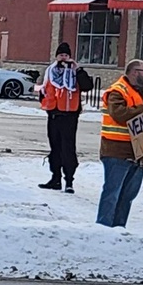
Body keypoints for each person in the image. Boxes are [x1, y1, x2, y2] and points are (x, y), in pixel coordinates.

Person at [97, 59, 143, 228]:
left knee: (127, 196)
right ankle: (103, 228)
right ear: (135, 72)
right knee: (112, 193)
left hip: (138, 152)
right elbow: (119, 114)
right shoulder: (117, 91)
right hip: (117, 151)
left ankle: (118, 228)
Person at [38, 42, 86, 193]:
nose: (63, 58)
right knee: (55, 148)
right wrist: (46, 105)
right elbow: (43, 89)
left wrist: (78, 70)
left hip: (70, 116)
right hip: (54, 115)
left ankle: (69, 180)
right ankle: (55, 178)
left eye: (66, 55)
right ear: (56, 56)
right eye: (61, 55)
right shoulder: (50, 71)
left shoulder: (75, 73)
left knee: (68, 149)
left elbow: (87, 85)